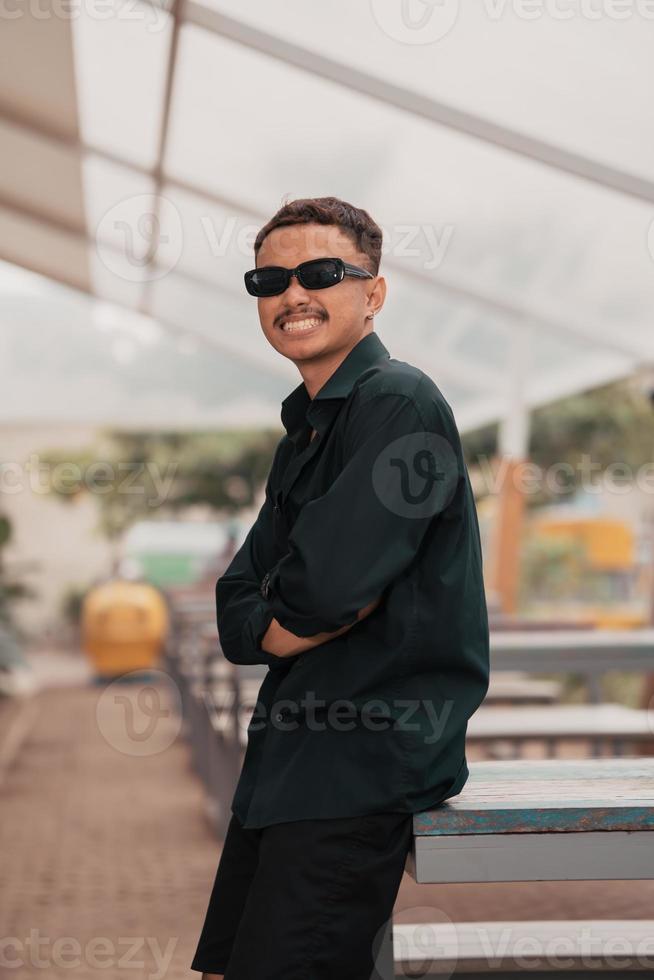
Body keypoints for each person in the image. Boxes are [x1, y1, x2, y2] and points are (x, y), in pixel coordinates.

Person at [190, 196, 489, 980]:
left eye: (321, 273)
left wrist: (281, 616)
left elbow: (322, 593)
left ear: (373, 292)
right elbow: (238, 602)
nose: (292, 294)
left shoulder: (398, 402)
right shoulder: (311, 425)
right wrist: (275, 617)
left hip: (358, 765)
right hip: (294, 762)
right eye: (271, 278)